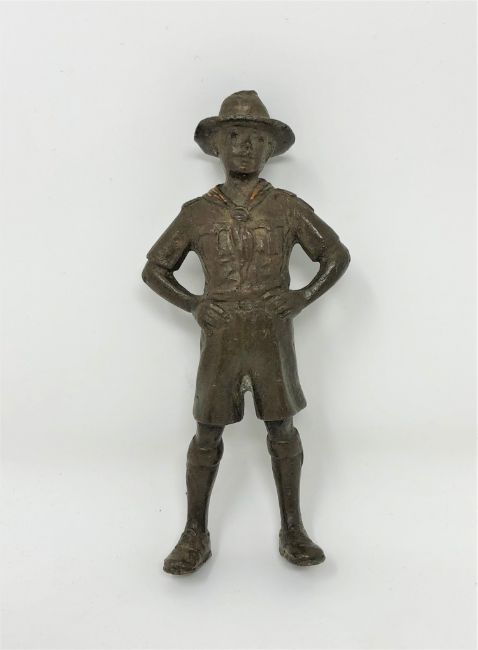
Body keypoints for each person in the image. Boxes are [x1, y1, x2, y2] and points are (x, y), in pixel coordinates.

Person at [142, 90, 350, 575]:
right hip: (220, 337)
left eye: (255, 138)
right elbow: (154, 270)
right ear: (216, 145)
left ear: (269, 149)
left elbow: (335, 255)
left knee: (282, 428)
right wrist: (194, 304)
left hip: (270, 334)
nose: (244, 146)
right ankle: (194, 532)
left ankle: (293, 529)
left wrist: (302, 296)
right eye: (234, 136)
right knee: (207, 432)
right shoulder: (197, 213)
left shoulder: (287, 207)